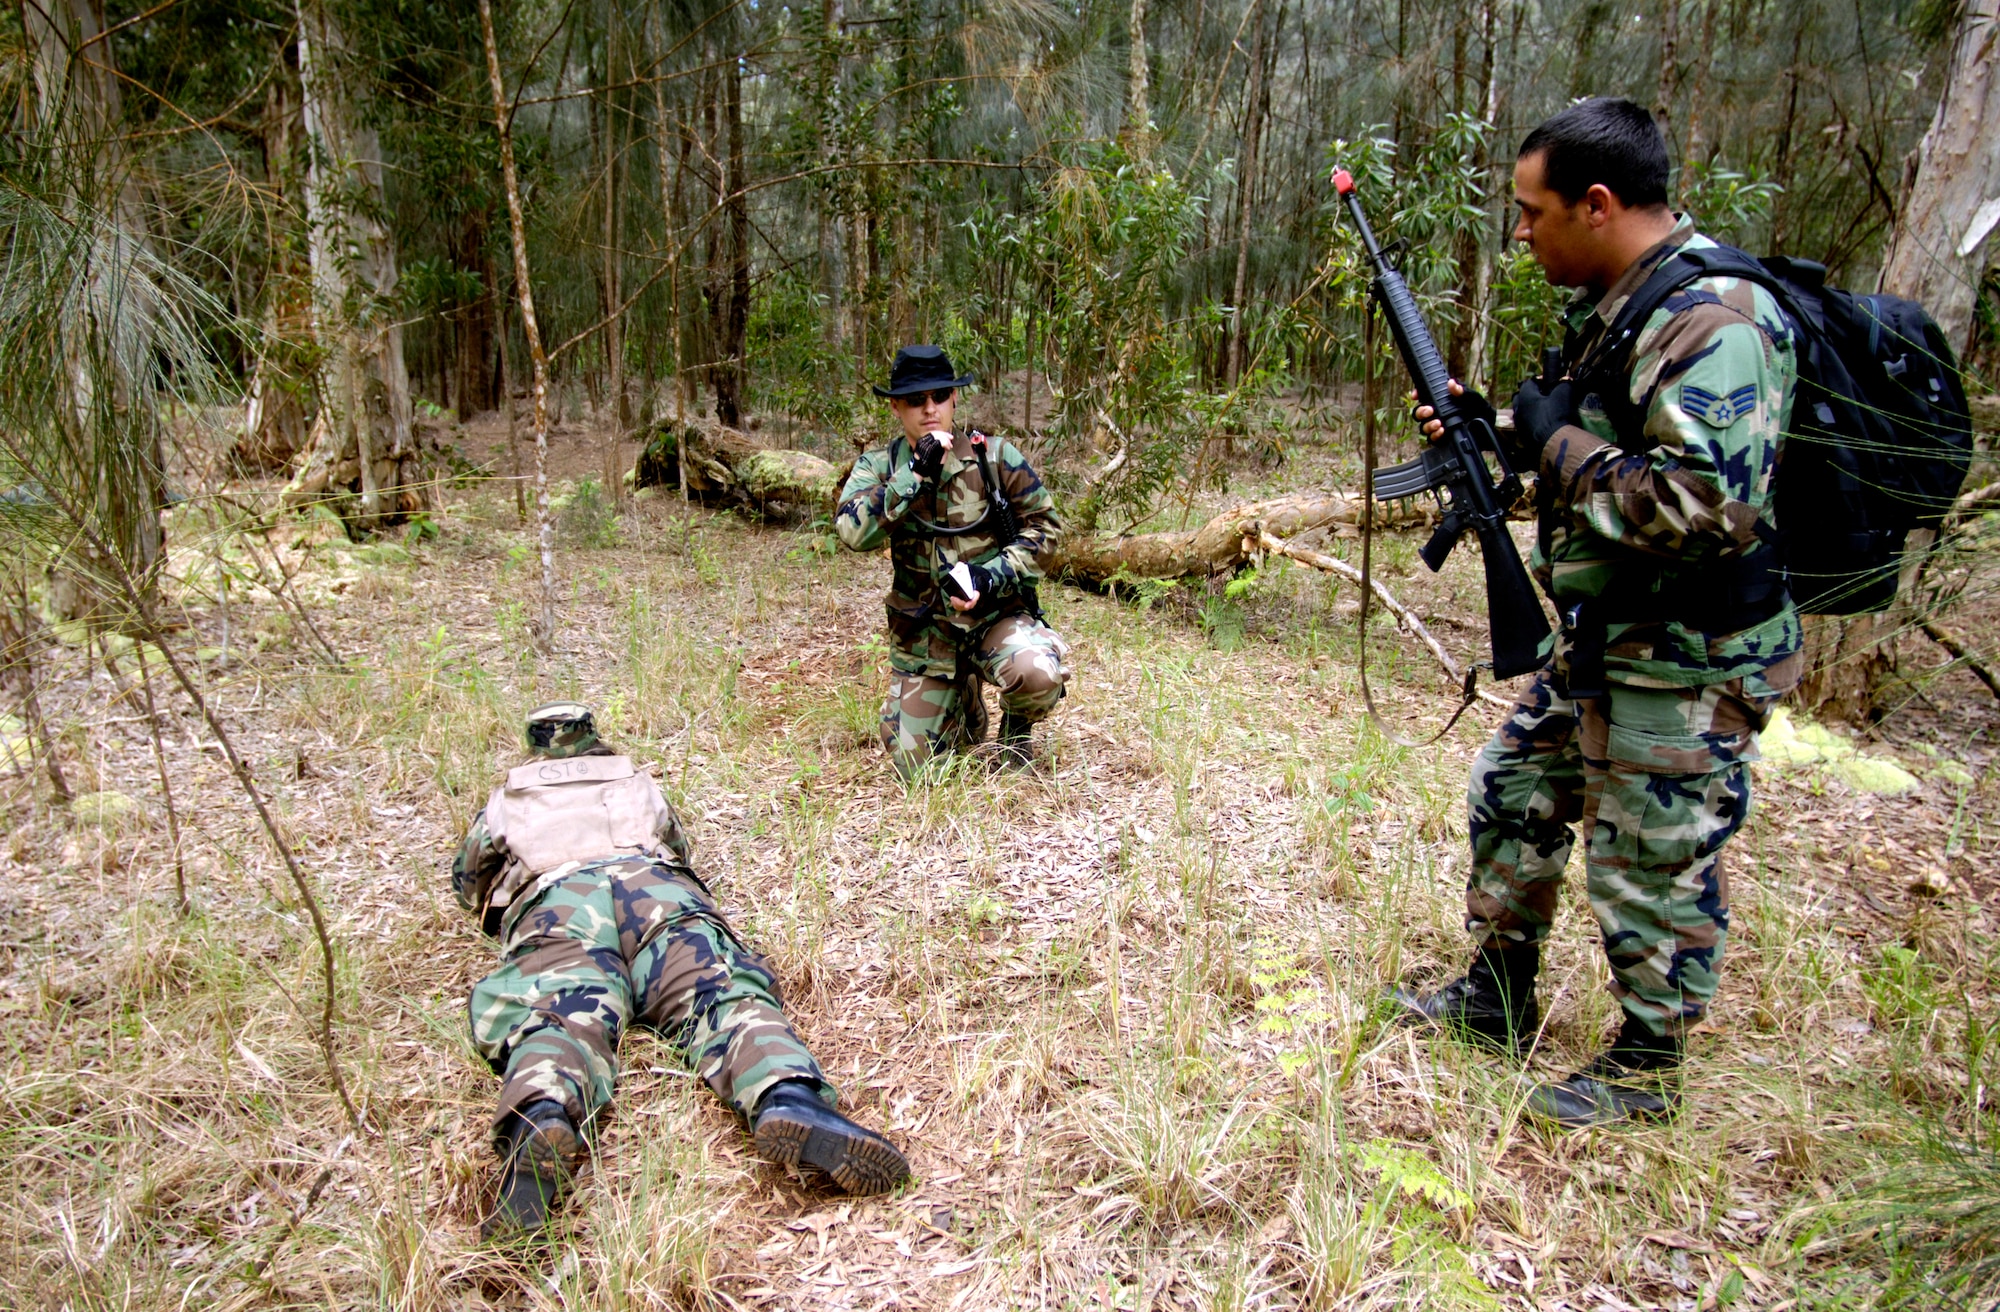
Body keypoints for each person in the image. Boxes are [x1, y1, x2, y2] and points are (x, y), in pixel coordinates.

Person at [1391, 98, 1801, 1128]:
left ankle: (1647, 1067)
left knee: (1647, 856)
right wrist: (1498, 432)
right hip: (1609, 636)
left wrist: (1555, 444)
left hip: (1689, 651)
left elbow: (1703, 508)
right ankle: (1496, 996)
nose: (1520, 233)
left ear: (1598, 203)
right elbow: (1605, 452)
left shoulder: (1716, 320)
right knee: (1511, 788)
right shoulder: (1622, 309)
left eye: (1533, 212)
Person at [453, 704, 910, 1239]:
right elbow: (676, 846)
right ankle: (788, 1094)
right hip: (654, 888)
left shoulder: (507, 798)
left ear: (536, 745)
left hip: (559, 902)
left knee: (557, 1012)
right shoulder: (632, 778)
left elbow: (469, 882)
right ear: (591, 736)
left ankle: (542, 1114)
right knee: (722, 991)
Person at [835, 344, 1070, 777]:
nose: (930, 408)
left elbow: (1047, 529)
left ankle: (1016, 728)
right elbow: (852, 532)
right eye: (915, 399)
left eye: (940, 396)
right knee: (916, 768)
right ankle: (965, 702)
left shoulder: (993, 457)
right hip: (927, 637)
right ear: (895, 406)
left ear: (954, 398)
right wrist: (914, 474)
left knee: (1037, 673)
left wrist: (991, 575)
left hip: (994, 617)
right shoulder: (880, 467)